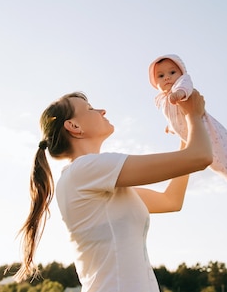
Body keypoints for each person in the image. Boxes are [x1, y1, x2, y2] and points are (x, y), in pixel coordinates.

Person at [15, 90, 213, 292]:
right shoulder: (86, 170)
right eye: (90, 109)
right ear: (74, 126)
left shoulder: (94, 179)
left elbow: (171, 200)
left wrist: (185, 135)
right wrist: (192, 114)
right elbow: (200, 156)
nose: (102, 111)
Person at [149, 54, 227, 206]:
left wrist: (179, 93)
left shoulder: (180, 86)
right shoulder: (165, 101)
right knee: (219, 167)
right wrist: (171, 127)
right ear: (155, 83)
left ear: (181, 74)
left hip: (211, 132)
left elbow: (186, 87)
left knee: (226, 163)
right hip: (198, 136)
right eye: (160, 75)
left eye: (172, 72)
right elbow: (177, 119)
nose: (167, 78)